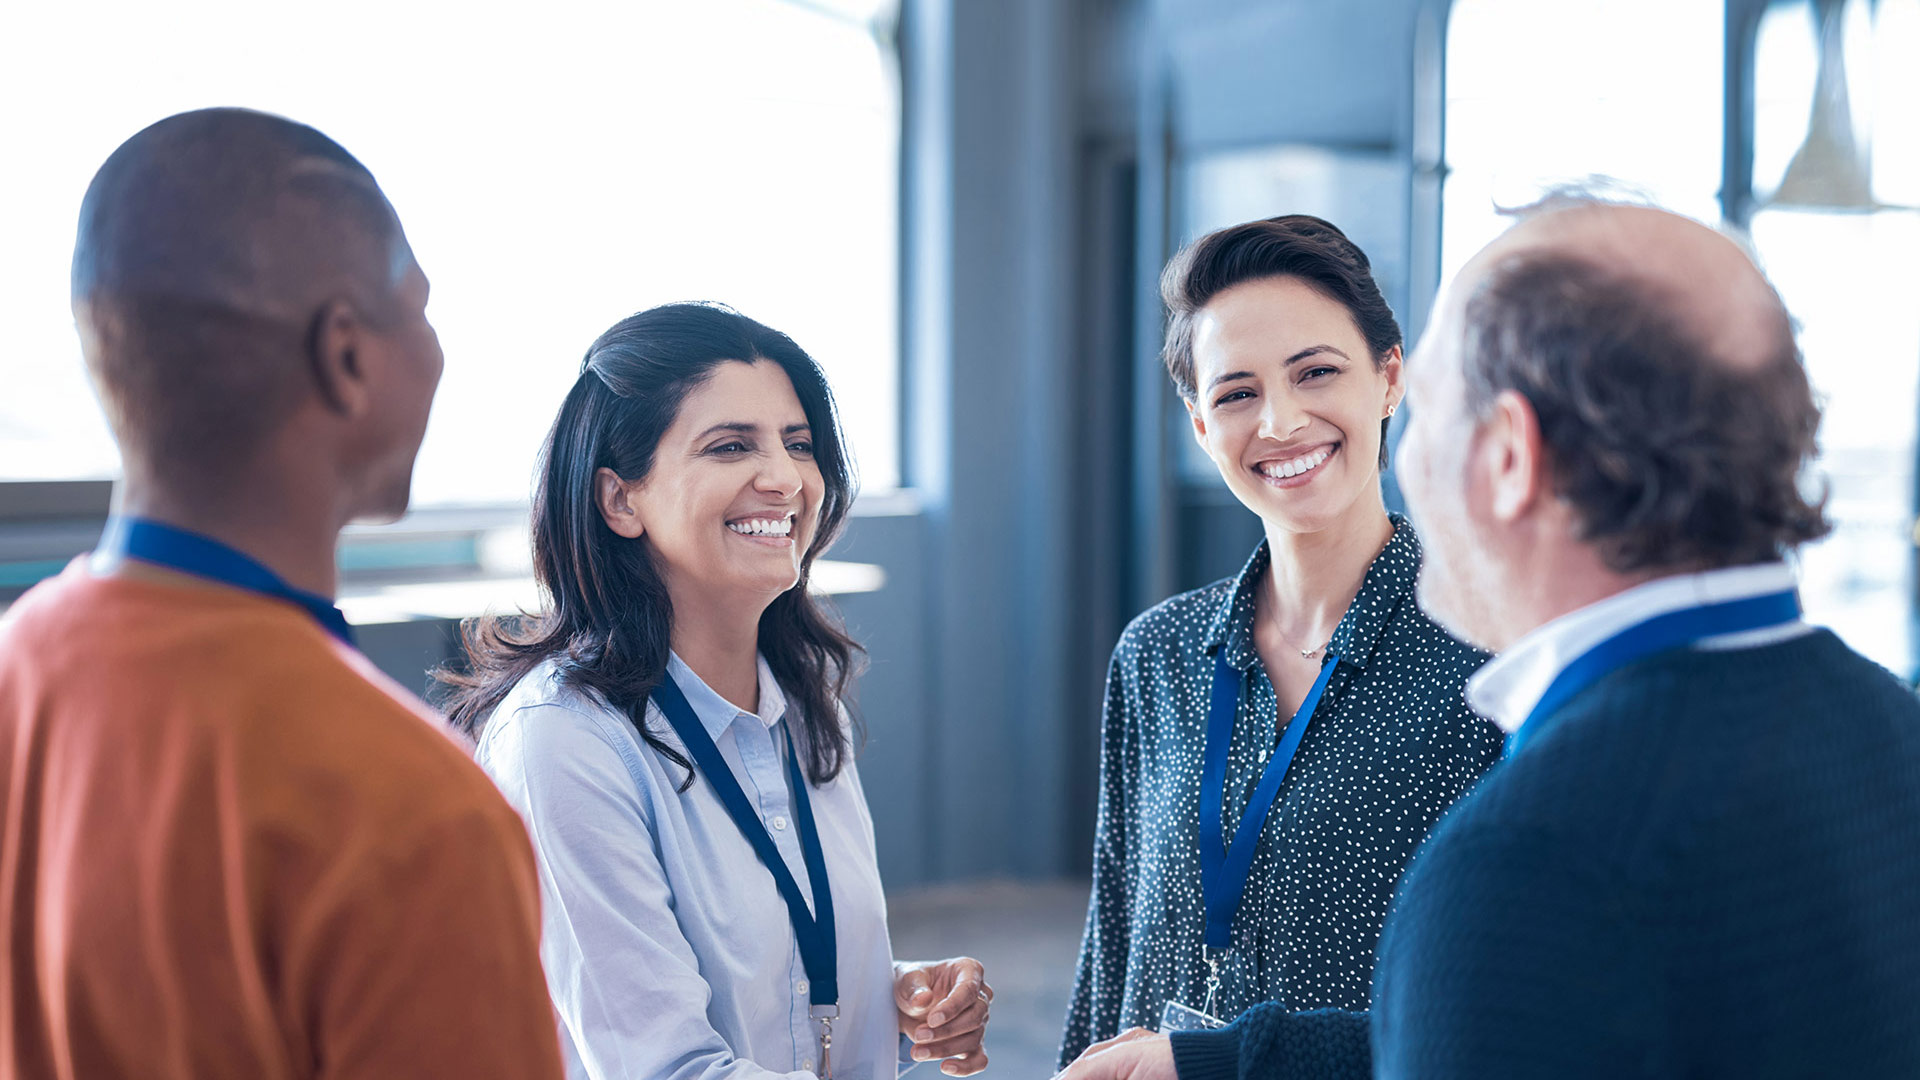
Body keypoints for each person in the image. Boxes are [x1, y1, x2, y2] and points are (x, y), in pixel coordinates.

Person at [1058, 196, 1920, 1080]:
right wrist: (1221, 1062)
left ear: (1507, 453)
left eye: (1433, 405)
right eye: (1238, 391)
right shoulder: (1891, 731)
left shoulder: (1521, 853)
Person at [0, 109, 563, 1078]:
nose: (437, 352)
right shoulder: (412, 813)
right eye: (421, 310)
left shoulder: (21, 664)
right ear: (346, 356)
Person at [438, 302, 993, 1080]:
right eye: (731, 445)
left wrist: (896, 998)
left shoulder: (804, 699)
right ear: (619, 499)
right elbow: (666, 1068)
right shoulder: (562, 738)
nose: (785, 478)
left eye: (799, 445)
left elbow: (777, 978)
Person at [1058, 215, 1502, 1066]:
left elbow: (1505, 1012)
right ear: (1199, 424)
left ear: (1389, 377)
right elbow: (1113, 942)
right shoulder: (1158, 654)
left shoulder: (1489, 648)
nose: (1281, 421)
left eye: (1316, 373)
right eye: (1237, 394)